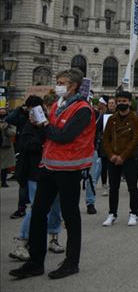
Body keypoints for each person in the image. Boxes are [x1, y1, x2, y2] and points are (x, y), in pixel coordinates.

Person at [10, 68, 97, 280]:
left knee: (70, 216)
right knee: (39, 213)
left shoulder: (83, 109)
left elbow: (64, 136)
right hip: (49, 167)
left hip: (69, 170)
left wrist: (45, 124)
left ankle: (71, 262)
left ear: (73, 85)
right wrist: (37, 123)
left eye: (61, 82)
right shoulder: (58, 105)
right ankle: (35, 262)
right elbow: (49, 134)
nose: (57, 85)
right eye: (57, 81)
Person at [7, 96, 66, 263]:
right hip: (35, 173)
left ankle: (54, 237)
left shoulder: (53, 123)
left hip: (55, 170)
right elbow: (26, 145)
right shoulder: (29, 125)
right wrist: (43, 144)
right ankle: (22, 242)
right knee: (35, 207)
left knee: (55, 206)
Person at [101, 90, 138, 227]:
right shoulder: (112, 119)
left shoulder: (135, 119)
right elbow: (105, 138)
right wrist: (111, 155)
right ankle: (112, 213)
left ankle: (133, 213)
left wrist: (123, 156)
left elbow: (135, 140)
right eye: (119, 101)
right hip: (113, 157)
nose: (121, 104)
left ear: (130, 102)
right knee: (114, 187)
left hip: (129, 158)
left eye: (124, 101)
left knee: (132, 187)